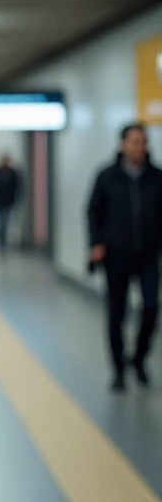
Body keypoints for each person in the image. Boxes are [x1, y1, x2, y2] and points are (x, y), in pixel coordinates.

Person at [88, 123, 161, 391]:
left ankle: (139, 359)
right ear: (123, 145)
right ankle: (119, 370)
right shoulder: (107, 176)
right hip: (116, 255)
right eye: (134, 142)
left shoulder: (156, 177)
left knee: (151, 308)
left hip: (148, 256)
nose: (139, 147)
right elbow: (93, 212)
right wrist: (96, 242)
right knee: (117, 314)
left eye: (143, 142)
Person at [0, 155, 21, 256]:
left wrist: (17, 199)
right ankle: (1, 244)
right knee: (1, 224)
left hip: (9, 202)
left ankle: (4, 244)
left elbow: (18, 186)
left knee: (6, 223)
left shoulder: (13, 173)